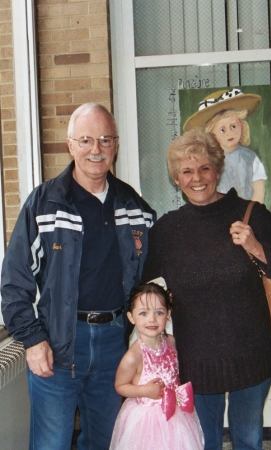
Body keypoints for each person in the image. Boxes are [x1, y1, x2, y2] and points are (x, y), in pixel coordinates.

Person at [1, 102, 156, 450]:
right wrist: (32, 339)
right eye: (85, 140)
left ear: (115, 145)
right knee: (51, 443)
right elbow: (14, 281)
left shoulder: (135, 208)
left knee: (105, 441)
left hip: (115, 342)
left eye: (104, 140)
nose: (96, 150)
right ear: (70, 144)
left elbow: (151, 279)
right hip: (56, 343)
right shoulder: (43, 204)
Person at [142, 127, 271, 450]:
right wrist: (159, 305)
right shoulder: (167, 230)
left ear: (217, 170)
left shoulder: (251, 214)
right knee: (203, 442)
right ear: (176, 178)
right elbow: (141, 282)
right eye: (186, 171)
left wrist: (257, 248)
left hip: (251, 355)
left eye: (204, 168)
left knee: (248, 440)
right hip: (196, 358)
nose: (196, 178)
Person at [109, 282, 204, 450]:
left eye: (159, 312)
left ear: (168, 314)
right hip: (146, 420)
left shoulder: (171, 342)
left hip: (176, 416)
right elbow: (120, 386)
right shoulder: (133, 356)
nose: (151, 319)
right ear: (131, 317)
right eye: (143, 313)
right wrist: (144, 391)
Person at [183, 88, 267, 202]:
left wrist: (252, 212)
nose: (229, 133)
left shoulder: (250, 158)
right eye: (222, 130)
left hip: (248, 214)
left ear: (242, 126)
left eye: (233, 126)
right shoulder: (208, 160)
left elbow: (259, 189)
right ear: (211, 134)